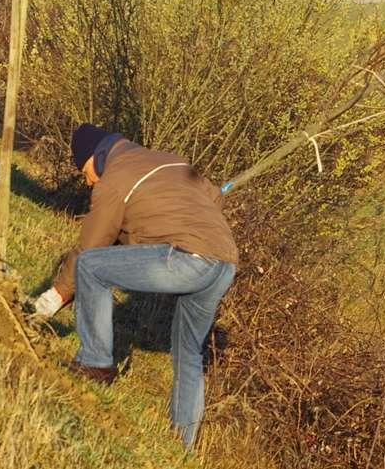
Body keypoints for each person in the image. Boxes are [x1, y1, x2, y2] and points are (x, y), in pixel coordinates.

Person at [31, 123, 238, 449]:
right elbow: (214, 197)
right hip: (224, 261)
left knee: (91, 266)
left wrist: (57, 293)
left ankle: (95, 363)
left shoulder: (114, 180)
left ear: (96, 158)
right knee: (189, 353)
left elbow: (91, 248)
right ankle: (181, 445)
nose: (87, 181)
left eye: (84, 171)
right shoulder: (171, 160)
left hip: (188, 258)